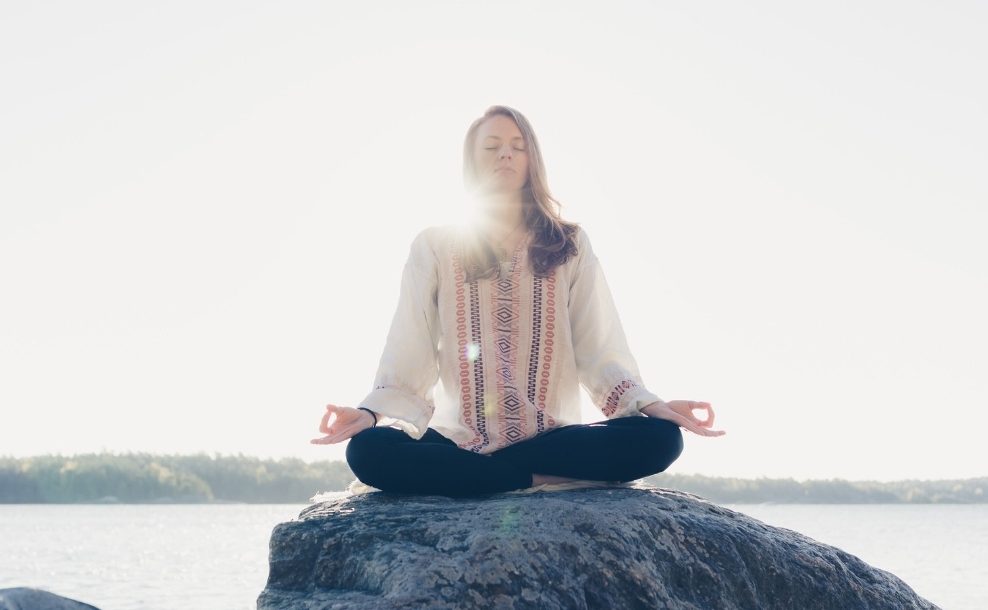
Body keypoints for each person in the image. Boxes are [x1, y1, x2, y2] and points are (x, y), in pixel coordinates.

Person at [311, 105, 725, 498]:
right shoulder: (435, 245)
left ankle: (494, 477)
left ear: (532, 160)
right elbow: (410, 343)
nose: (505, 154)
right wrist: (369, 414)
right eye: (491, 147)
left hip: (550, 437)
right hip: (459, 439)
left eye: (517, 146)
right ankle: (532, 479)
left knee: (661, 439)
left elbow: (598, 346)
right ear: (472, 161)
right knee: (368, 451)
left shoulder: (569, 244)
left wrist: (651, 405)